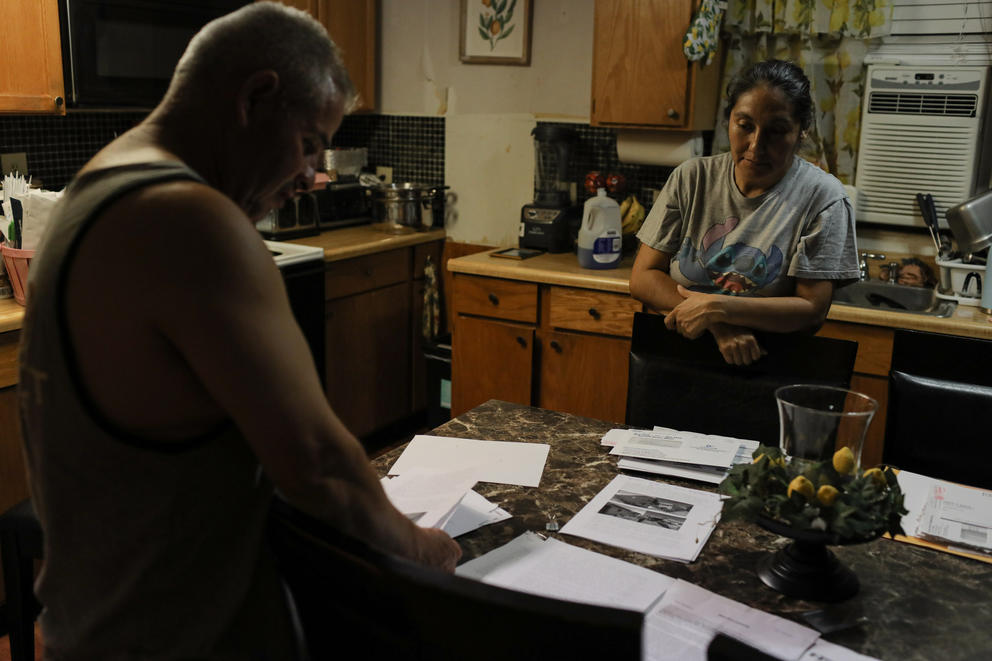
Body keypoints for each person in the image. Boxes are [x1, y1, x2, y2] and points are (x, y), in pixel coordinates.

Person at [17, 3, 460, 659]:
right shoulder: (188, 218)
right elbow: (319, 465)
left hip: (95, 627)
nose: (311, 176)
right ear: (256, 97)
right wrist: (432, 550)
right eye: (310, 142)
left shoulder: (102, 180)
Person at [629, 59, 859, 366]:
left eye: (777, 131)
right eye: (745, 125)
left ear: (802, 132)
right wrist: (718, 324)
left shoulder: (822, 197)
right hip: (675, 353)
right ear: (729, 122)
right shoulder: (691, 178)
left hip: (767, 362)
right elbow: (642, 278)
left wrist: (720, 308)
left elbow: (811, 310)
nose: (756, 145)